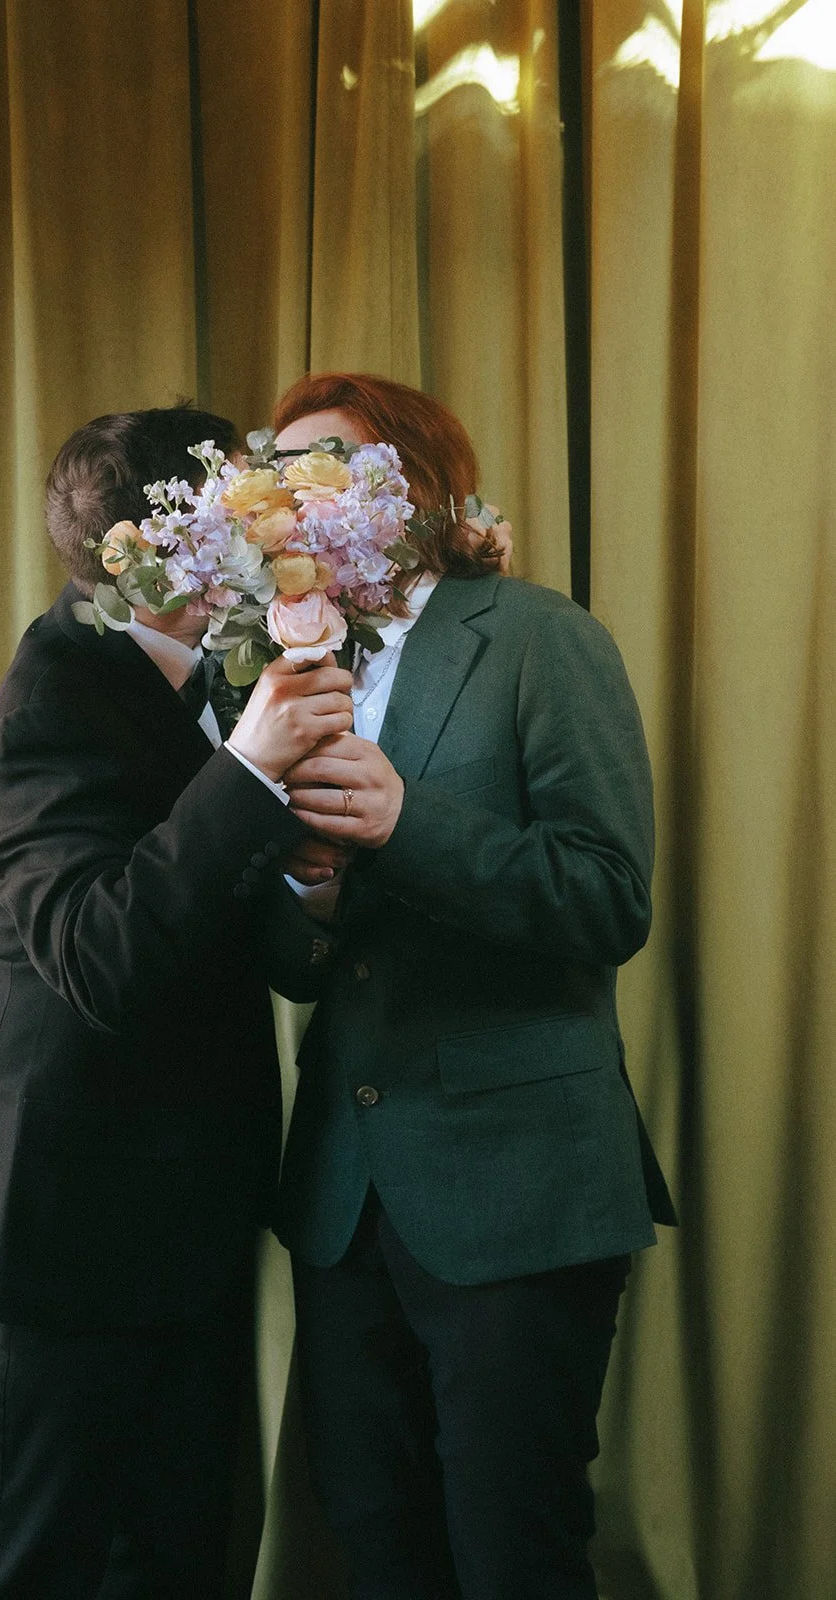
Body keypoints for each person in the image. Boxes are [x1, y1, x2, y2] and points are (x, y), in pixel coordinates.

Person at [0, 405, 353, 1600]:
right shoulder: (48, 700)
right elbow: (101, 955)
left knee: (182, 1564)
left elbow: (209, 910)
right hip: (52, 1234)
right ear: (161, 551)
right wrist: (251, 770)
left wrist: (308, 895)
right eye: (245, 511)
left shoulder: (211, 673)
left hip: (186, 1226)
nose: (276, 528)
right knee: (33, 1572)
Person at [272, 373, 676, 1599]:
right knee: (373, 1538)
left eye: (320, 467)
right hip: (344, 1198)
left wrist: (406, 824)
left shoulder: (540, 637)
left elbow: (607, 897)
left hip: (520, 1187)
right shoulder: (288, 673)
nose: (290, 501)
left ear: (415, 484)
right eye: (273, 475)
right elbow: (293, 966)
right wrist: (311, 897)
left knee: (513, 1550)